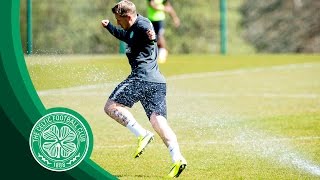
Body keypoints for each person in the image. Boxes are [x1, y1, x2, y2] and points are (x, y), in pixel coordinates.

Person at [101, 0, 187, 178]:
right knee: (159, 122)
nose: (117, 22)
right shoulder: (132, 30)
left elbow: (148, 31)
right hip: (157, 82)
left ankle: (142, 134)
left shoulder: (142, 24)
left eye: (118, 19)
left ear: (129, 16)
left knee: (111, 106)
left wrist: (152, 36)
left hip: (141, 78)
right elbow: (125, 36)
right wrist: (109, 27)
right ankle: (177, 158)